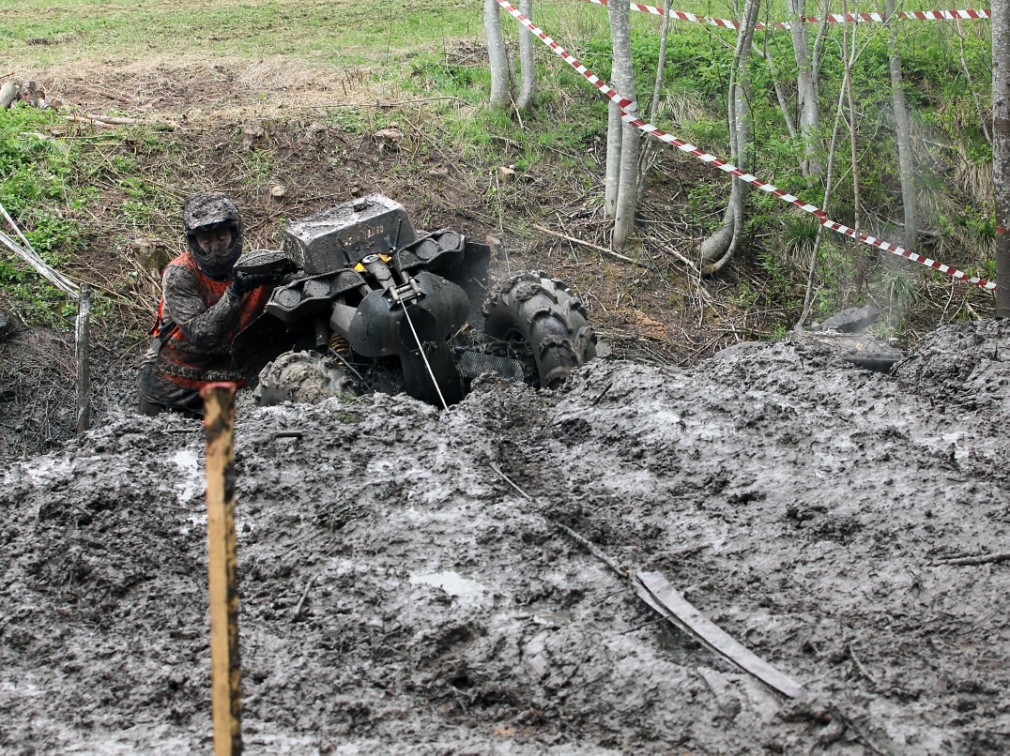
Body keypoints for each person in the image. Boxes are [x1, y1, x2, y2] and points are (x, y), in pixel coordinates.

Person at [138, 192, 285, 417]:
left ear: (234, 233)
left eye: (221, 237)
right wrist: (235, 291)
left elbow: (298, 275)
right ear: (194, 242)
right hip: (170, 387)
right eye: (206, 240)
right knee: (149, 448)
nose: (215, 247)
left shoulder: (258, 266)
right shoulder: (181, 273)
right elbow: (202, 334)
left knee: (219, 450)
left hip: (221, 384)